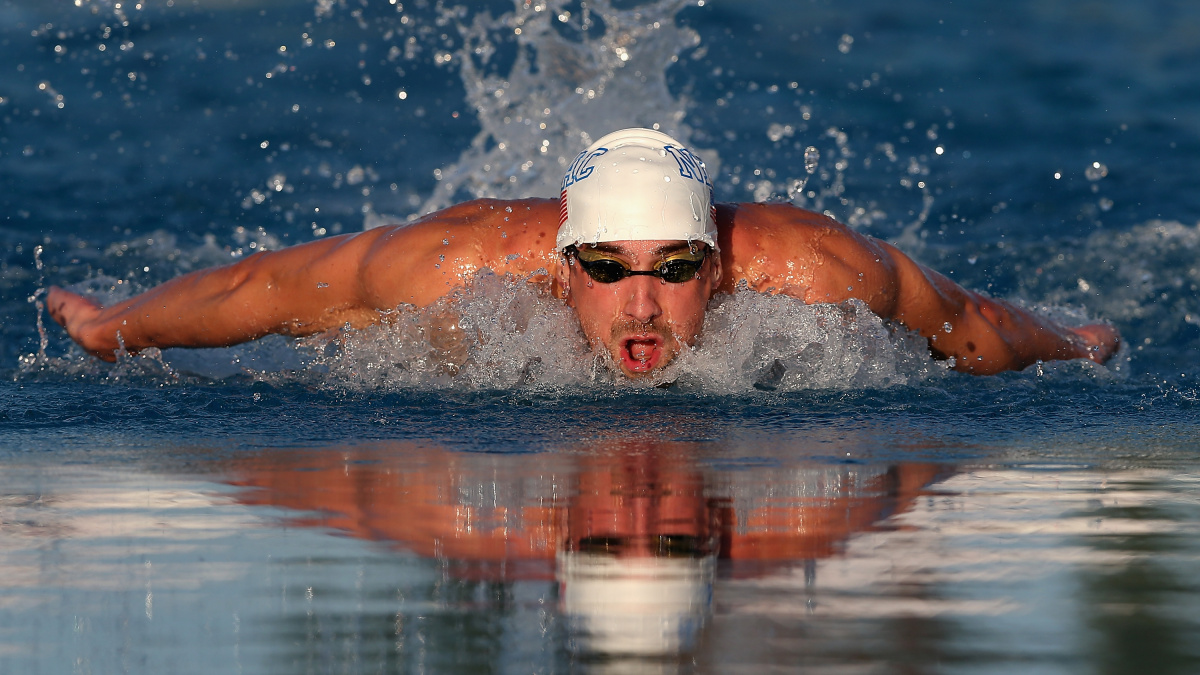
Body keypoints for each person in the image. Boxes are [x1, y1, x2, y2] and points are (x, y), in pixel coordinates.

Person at [47, 128, 1119, 377]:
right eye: (606, 267)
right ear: (561, 265)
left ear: (718, 266)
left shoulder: (810, 267)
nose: (640, 304)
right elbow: (269, 287)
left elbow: (967, 326)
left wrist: (1072, 345)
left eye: (675, 268)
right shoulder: (458, 266)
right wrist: (116, 327)